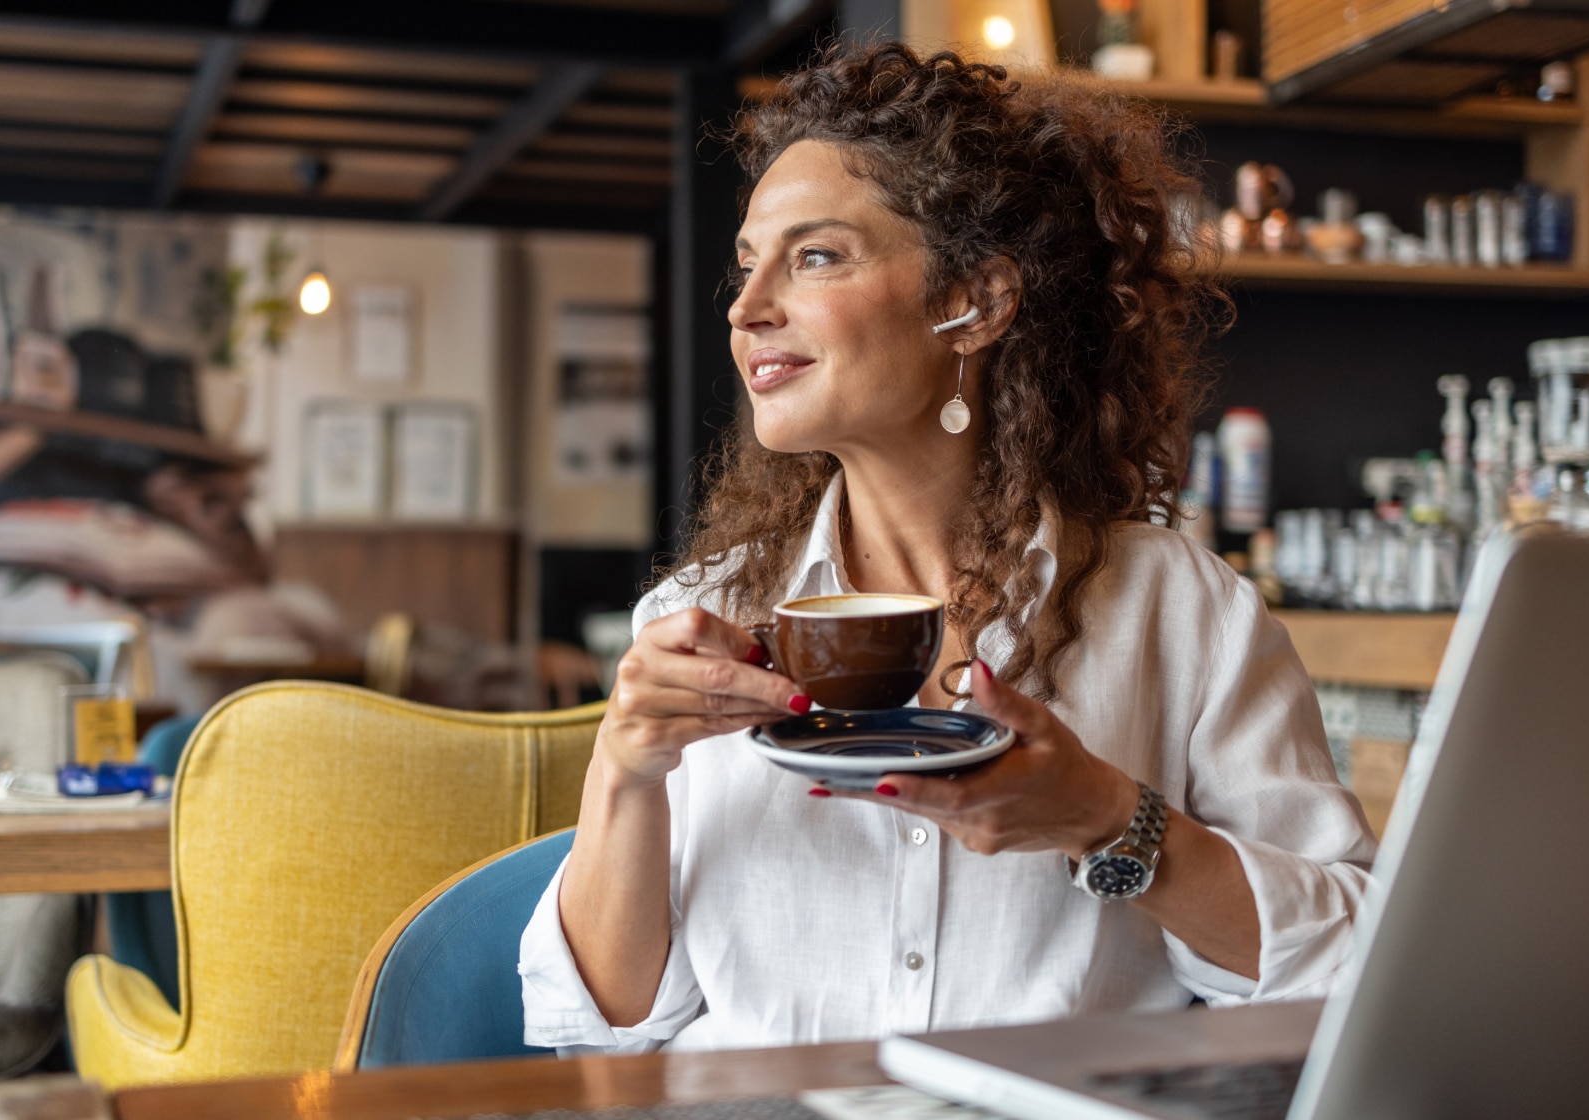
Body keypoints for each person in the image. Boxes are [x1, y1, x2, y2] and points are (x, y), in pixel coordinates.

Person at [519, 42, 1376, 1054]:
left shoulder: (1180, 613)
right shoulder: (695, 618)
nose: (746, 309)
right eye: (748, 264)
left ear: (973, 303)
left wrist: (1107, 818)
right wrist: (626, 767)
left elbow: (1355, 963)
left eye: (816, 256)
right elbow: (603, 1031)